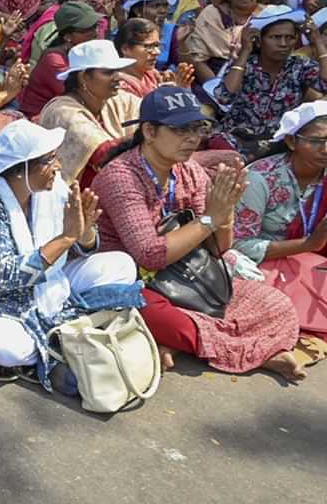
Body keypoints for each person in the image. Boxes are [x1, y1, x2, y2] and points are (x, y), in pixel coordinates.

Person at [92, 87, 305, 380]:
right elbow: (149, 254)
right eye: (181, 130)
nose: (193, 138)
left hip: (188, 275)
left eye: (198, 128)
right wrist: (209, 218)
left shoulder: (188, 170)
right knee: (168, 320)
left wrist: (226, 211)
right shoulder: (121, 176)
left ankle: (180, 345)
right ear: (149, 131)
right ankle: (250, 351)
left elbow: (219, 249)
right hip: (132, 279)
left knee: (277, 305)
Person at [0, 120, 138, 377]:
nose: (59, 166)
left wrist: (84, 233)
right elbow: (6, 276)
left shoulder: (51, 189)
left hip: (50, 285)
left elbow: (82, 250)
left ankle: (63, 338)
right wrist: (65, 238)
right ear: (20, 168)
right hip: (1, 299)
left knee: (122, 264)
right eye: (49, 160)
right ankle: (73, 335)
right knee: (2, 346)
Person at [234, 101, 327, 334]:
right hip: (268, 264)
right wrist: (307, 245)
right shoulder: (259, 179)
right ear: (291, 141)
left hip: (315, 260)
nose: (326, 149)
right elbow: (239, 245)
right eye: (317, 142)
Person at [212, 6, 327, 154]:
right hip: (239, 139)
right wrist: (245, 50)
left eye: (289, 38)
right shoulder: (246, 65)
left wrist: (317, 41)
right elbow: (224, 97)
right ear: (259, 41)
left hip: (279, 140)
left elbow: (325, 82)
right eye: (275, 37)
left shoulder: (299, 65)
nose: (283, 44)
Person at [38, 39, 140, 186]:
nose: (118, 77)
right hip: (77, 194)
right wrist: (145, 135)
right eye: (108, 72)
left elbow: (149, 109)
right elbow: (103, 154)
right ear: (84, 77)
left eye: (117, 71)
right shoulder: (62, 111)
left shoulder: (114, 99)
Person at [19, 0, 101, 118]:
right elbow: (82, 94)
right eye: (87, 30)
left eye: (95, 27)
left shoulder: (85, 52)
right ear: (68, 36)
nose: (95, 33)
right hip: (40, 117)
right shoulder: (54, 60)